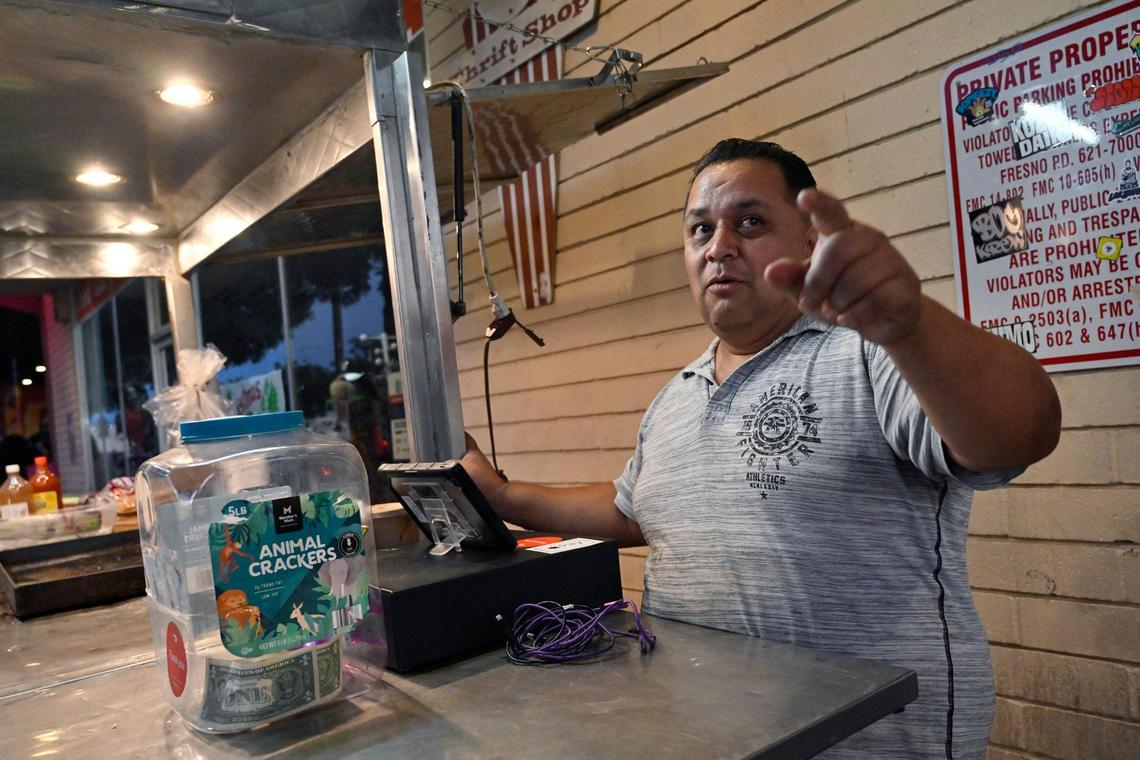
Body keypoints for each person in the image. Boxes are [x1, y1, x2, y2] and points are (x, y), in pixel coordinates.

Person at [462, 138, 1061, 758]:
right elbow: (635, 512)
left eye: (750, 222)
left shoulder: (868, 352)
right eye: (700, 229)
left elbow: (1018, 436)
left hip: (874, 740)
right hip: (717, 739)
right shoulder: (677, 396)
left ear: (809, 242)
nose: (719, 246)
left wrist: (911, 327)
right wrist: (502, 497)